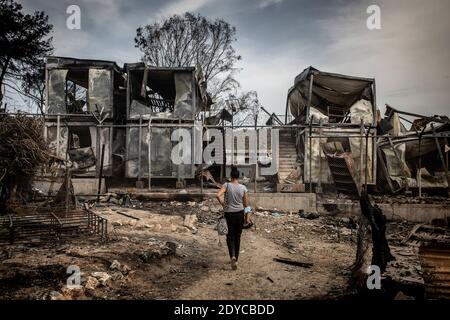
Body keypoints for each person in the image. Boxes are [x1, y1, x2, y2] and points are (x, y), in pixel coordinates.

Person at [216, 166, 249, 270]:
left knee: (230, 237)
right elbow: (246, 206)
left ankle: (232, 257)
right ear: (238, 177)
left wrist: (223, 204)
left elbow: (217, 195)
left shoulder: (226, 185)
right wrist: (247, 217)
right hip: (239, 214)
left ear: (231, 176)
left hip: (229, 214)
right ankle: (237, 259)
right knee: (237, 237)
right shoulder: (243, 188)